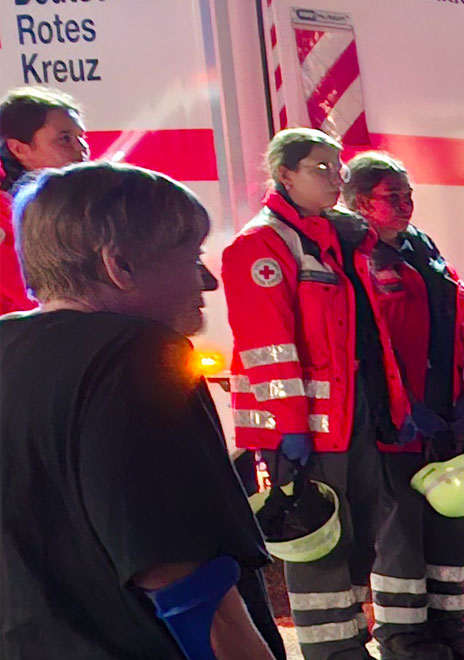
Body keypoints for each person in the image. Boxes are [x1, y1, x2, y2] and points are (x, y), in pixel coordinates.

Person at [0, 162, 277, 660]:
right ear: (119, 266)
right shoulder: (137, 352)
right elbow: (185, 582)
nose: (209, 281)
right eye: (191, 257)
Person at [222, 128, 418, 660]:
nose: (335, 179)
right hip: (308, 426)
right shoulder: (260, 245)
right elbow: (269, 345)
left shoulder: (337, 240)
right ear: (285, 175)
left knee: (358, 537)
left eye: (338, 168)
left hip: (351, 414)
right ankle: (332, 653)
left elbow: (364, 338)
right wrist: (289, 425)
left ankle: (349, 644)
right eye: (319, 169)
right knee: (319, 544)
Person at [343, 152, 464, 660]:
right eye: (393, 196)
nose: (406, 204)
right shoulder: (357, 259)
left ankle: (450, 629)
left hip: (442, 416)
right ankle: (404, 638)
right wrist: (407, 412)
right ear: (362, 203)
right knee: (400, 531)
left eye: (409, 194)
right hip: (395, 425)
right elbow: (370, 346)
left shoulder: (423, 252)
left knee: (449, 531)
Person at [0, 86, 88, 314]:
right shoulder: (6, 219)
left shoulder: (79, 208)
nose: (81, 149)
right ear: (19, 149)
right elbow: (40, 300)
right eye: (64, 138)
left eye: (81, 137)